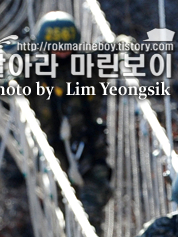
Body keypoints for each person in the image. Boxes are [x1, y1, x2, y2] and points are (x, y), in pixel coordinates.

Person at [22, 11, 111, 225]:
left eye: (67, 46)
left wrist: (122, 46)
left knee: (93, 205)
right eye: (55, 47)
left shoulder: (89, 66)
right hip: (51, 150)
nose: (62, 52)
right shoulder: (32, 70)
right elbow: (7, 82)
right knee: (64, 209)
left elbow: (111, 53)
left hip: (87, 145)